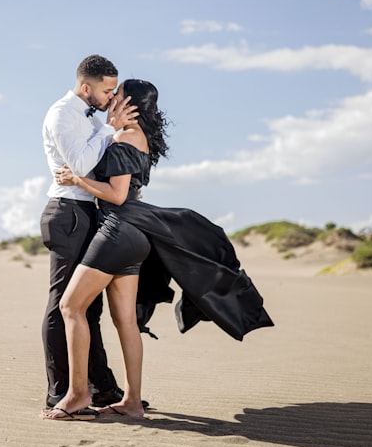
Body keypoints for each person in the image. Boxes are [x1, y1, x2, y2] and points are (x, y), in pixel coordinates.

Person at [41, 79, 274, 421]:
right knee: (125, 322)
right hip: (135, 236)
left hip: (117, 232)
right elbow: (132, 192)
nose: (111, 101)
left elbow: (118, 196)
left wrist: (78, 181)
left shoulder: (123, 137)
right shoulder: (140, 138)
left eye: (117, 96)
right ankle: (132, 402)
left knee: (70, 305)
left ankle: (76, 395)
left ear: (130, 104)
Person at [40, 54, 139, 411]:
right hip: (68, 213)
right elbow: (80, 165)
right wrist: (112, 130)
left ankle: (102, 388)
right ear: (86, 87)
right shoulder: (62, 115)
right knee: (63, 305)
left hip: (88, 212)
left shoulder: (93, 120)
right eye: (107, 90)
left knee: (87, 306)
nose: (111, 97)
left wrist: (110, 128)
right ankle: (59, 390)